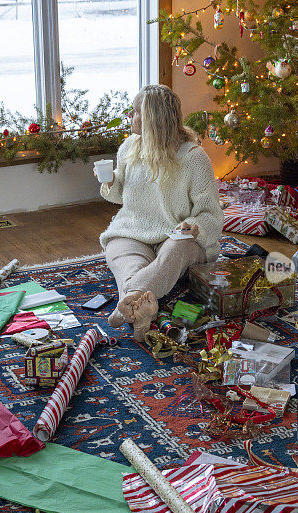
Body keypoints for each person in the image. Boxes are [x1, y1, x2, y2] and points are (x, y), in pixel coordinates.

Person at [98, 84, 224, 341]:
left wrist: (193, 225)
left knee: (172, 255)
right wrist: (109, 182)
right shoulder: (129, 148)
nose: (129, 118)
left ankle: (126, 308)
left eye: (134, 113)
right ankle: (138, 309)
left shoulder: (193, 157)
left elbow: (211, 214)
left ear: (152, 120)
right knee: (125, 262)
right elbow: (119, 196)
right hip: (132, 231)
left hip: (176, 238)